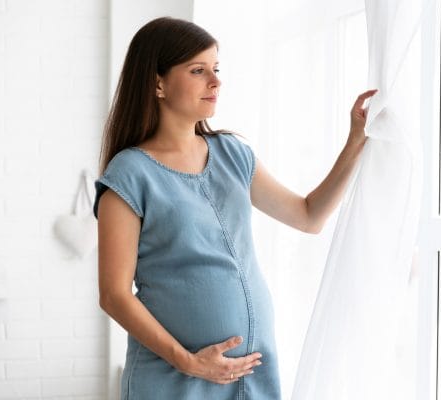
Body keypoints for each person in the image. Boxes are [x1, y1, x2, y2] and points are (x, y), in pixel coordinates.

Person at [93, 16, 376, 400]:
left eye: (216, 69)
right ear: (157, 82)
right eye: (198, 70)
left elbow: (310, 216)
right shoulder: (129, 174)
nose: (215, 81)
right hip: (175, 380)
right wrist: (188, 361)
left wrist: (355, 140)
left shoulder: (234, 154)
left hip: (253, 374)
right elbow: (114, 295)